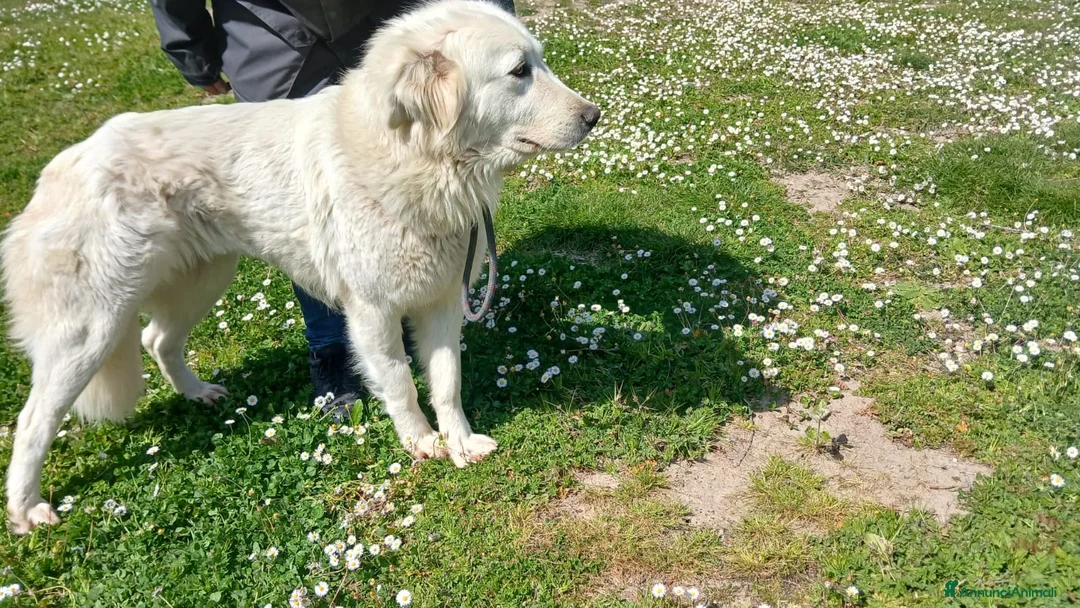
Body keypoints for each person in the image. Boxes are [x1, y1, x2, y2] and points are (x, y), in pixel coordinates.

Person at [149, 0, 514, 417]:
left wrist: (493, 21)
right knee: (307, 214)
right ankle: (331, 348)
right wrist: (193, 54)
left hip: (379, 29)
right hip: (271, 41)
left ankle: (422, 314)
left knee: (418, 176)